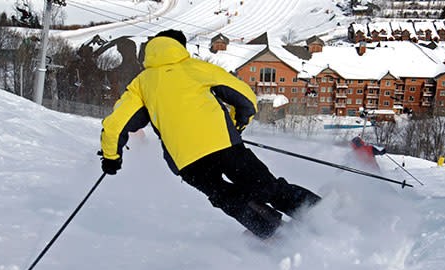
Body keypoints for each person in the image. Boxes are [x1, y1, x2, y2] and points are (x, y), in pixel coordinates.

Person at [99, 29, 320, 239]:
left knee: (225, 196)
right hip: (225, 144)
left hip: (187, 160)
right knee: (266, 187)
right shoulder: (197, 68)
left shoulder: (141, 83)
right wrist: (236, 125)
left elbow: (114, 125)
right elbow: (246, 99)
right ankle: (320, 216)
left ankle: (273, 233)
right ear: (180, 48)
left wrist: (111, 158)